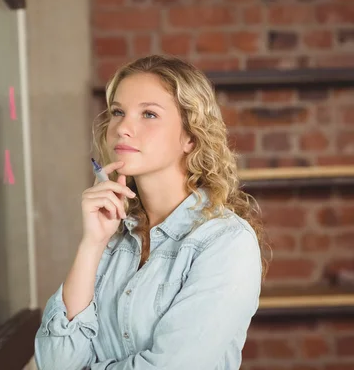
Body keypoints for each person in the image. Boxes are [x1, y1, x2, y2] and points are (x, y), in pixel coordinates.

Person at [34, 55, 267, 370]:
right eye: (118, 112)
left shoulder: (226, 242)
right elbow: (56, 362)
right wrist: (92, 244)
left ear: (190, 136)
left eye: (149, 114)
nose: (123, 128)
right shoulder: (112, 234)